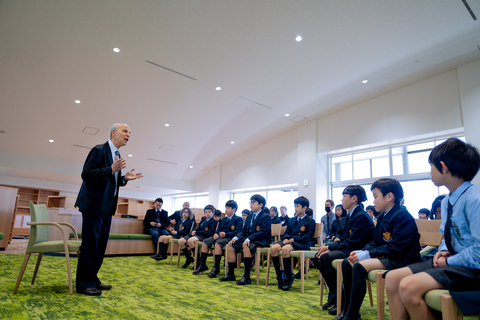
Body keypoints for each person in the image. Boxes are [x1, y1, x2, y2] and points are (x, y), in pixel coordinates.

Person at [385, 138, 480, 320]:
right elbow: (447, 237)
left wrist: (449, 261)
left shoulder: (474, 199)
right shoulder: (446, 201)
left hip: (472, 267)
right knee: (392, 278)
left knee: (408, 286)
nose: (430, 172)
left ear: (443, 167)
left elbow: (478, 252)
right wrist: (442, 251)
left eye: (431, 166)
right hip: (454, 261)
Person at [74, 123, 143, 296]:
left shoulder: (117, 154)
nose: (129, 134)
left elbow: (109, 181)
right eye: (125, 131)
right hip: (93, 205)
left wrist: (124, 179)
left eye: (130, 132)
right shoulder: (99, 150)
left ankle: (93, 279)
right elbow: (86, 174)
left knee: (100, 246)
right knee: (90, 245)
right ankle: (83, 284)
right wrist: (111, 169)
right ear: (113, 133)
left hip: (107, 207)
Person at [338, 178, 421, 320]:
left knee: (358, 266)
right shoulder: (383, 215)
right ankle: (347, 309)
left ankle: (352, 314)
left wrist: (368, 254)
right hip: (388, 254)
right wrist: (362, 251)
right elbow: (375, 242)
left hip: (401, 258)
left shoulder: (402, 215)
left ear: (389, 197)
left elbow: (396, 248)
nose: (373, 201)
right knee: (348, 262)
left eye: (376, 197)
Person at [314, 185, 374, 315]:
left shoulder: (361, 216)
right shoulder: (350, 215)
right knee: (318, 256)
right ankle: (335, 293)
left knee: (324, 257)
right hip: (348, 247)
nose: (341, 200)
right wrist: (332, 244)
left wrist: (329, 247)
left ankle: (338, 296)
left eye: (344, 196)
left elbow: (353, 242)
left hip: (357, 250)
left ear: (354, 198)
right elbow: (344, 237)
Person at [220, 194, 271, 285]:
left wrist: (248, 239)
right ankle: (231, 274)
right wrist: (235, 238)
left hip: (261, 240)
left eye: (253, 202)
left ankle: (247, 277)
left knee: (246, 246)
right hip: (249, 239)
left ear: (260, 205)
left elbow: (263, 233)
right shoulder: (250, 216)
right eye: (250, 202)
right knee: (230, 245)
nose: (251, 204)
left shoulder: (265, 217)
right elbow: (244, 231)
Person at [270, 196, 315, 291]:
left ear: (304, 208)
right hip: (289, 241)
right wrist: (286, 238)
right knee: (273, 248)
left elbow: (308, 236)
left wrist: (293, 239)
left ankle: (288, 276)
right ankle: (279, 275)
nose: (295, 208)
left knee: (285, 249)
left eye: (297, 206)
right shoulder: (291, 219)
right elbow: (287, 231)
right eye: (295, 206)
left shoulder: (310, 221)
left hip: (301, 243)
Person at [193, 200, 243, 277]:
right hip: (220, 236)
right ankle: (202, 265)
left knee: (218, 243)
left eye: (228, 208)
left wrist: (226, 234)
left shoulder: (238, 219)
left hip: (229, 238)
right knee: (205, 242)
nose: (226, 210)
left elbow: (238, 232)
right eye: (225, 207)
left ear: (234, 210)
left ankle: (216, 268)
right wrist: (216, 233)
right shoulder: (224, 219)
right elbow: (218, 229)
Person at [178, 204, 217, 269]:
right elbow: (198, 229)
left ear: (213, 213)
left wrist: (196, 232)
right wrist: (194, 231)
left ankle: (198, 261)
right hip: (197, 235)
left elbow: (209, 233)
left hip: (204, 237)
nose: (207, 214)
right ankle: (189, 258)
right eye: (206, 212)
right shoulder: (203, 220)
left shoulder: (213, 221)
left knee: (190, 241)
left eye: (209, 212)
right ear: (204, 213)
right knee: (180, 241)